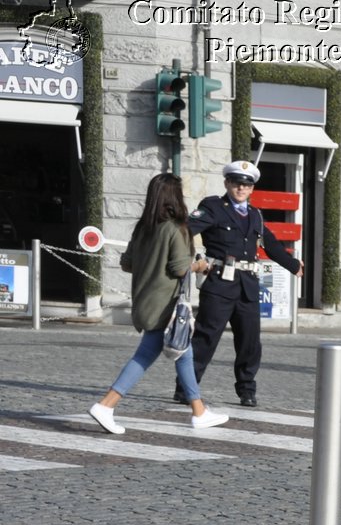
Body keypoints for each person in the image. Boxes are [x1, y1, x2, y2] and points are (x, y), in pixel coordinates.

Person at [89, 173, 228, 435]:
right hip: (166, 306)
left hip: (145, 301)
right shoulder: (177, 228)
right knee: (145, 356)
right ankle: (106, 405)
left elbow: (127, 263)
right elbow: (178, 269)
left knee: (183, 352)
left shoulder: (143, 227)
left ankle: (199, 411)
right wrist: (201, 265)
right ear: (175, 197)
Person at [178, 159, 301, 408]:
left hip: (247, 287)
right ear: (227, 183)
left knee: (249, 342)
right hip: (219, 285)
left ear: (252, 188)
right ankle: (185, 388)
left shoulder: (255, 214)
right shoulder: (213, 206)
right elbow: (185, 230)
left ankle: (247, 390)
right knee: (205, 338)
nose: (241, 188)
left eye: (246, 185)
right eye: (236, 183)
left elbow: (271, 243)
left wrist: (293, 265)